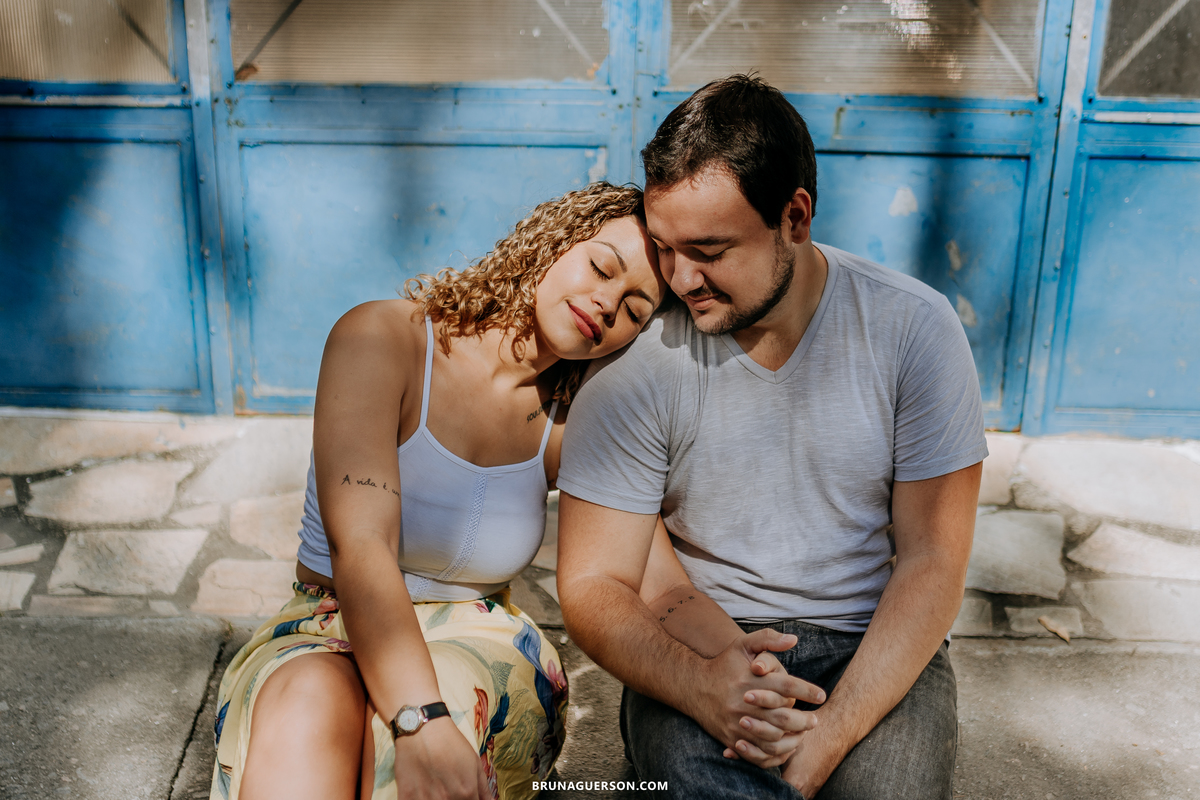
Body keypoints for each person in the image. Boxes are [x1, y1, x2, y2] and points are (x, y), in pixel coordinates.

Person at [555, 75, 987, 799]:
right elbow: (596, 582)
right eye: (663, 247)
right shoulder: (638, 362)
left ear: (794, 216)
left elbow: (933, 563)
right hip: (698, 647)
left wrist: (826, 742)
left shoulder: (915, 330)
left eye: (709, 249)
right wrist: (703, 689)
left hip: (870, 644)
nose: (679, 278)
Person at [208, 182, 666, 800]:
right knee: (307, 705)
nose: (608, 304)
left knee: (449, 704)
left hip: (478, 641)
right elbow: (361, 546)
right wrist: (416, 720)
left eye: (636, 310)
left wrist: (727, 669)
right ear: (553, 243)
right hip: (330, 619)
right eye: (601, 267)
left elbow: (648, 562)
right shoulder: (383, 339)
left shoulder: (571, 419)